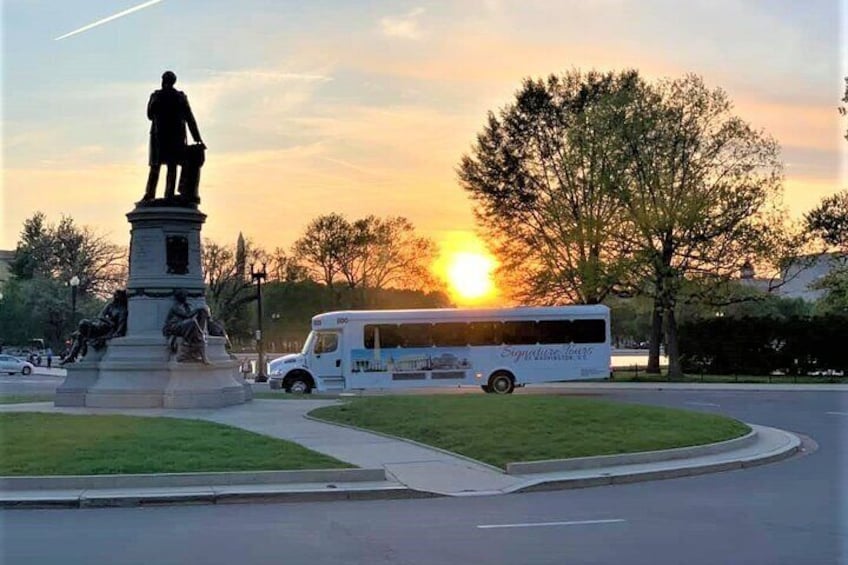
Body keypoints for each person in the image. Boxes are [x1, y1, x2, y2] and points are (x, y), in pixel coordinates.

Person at [143, 71, 205, 201]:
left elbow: (149, 114)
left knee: (159, 166)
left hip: (163, 136)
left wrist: (197, 138)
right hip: (167, 137)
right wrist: (197, 138)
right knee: (167, 166)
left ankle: (152, 194)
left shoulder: (159, 96)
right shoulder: (176, 97)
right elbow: (190, 119)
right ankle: (165, 194)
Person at [61, 290, 128, 365]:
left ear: (121, 297)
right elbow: (101, 316)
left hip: (105, 330)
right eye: (115, 295)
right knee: (81, 330)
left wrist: (114, 330)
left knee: (82, 329)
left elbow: (120, 325)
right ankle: (72, 356)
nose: (115, 297)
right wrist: (109, 321)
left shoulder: (122, 311)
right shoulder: (110, 305)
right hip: (99, 325)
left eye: (117, 295)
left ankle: (75, 355)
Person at [163, 289, 210, 363]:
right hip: (174, 326)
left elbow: (192, 316)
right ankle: (199, 351)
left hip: (186, 325)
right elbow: (187, 315)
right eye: (183, 296)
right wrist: (198, 309)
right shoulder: (175, 307)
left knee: (196, 323)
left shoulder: (188, 306)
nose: (185, 297)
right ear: (179, 297)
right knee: (193, 323)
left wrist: (203, 312)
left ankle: (198, 341)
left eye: (185, 295)